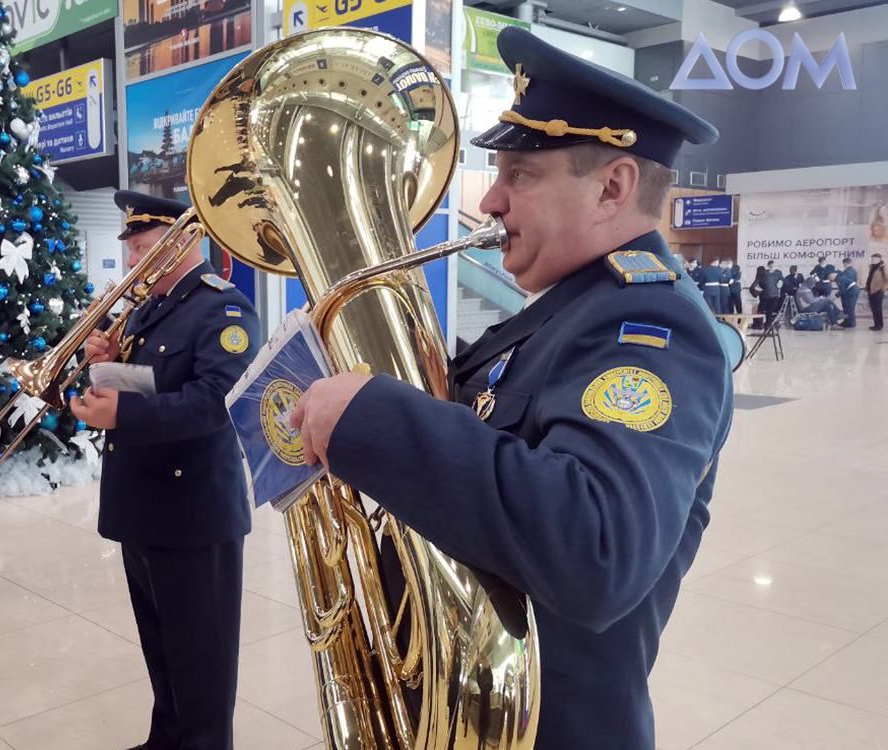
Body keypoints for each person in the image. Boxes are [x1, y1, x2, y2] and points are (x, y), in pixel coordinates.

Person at [289, 27, 735, 750]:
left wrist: (376, 418)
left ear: (613, 187)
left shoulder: (648, 323)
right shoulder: (570, 309)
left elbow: (597, 551)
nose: (490, 200)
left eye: (519, 174)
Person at [71, 190, 260, 750]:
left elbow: (220, 400)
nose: (134, 263)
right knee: (161, 642)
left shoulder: (223, 308)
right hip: (144, 500)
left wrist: (122, 410)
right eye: (130, 250)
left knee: (201, 658)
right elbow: (153, 380)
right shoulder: (150, 306)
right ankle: (167, 738)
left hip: (194, 509)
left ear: (184, 241)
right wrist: (104, 365)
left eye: (144, 249)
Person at [834, 257, 860, 328]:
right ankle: (849, 322)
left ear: (845, 263)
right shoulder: (854, 271)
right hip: (852, 290)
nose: (844, 265)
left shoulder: (846, 272)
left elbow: (842, 284)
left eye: (844, 264)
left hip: (848, 292)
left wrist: (837, 295)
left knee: (848, 307)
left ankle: (850, 323)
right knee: (850, 308)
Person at [867, 252, 886, 331]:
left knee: (878, 309)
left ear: (879, 259)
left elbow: (886, 279)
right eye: (872, 258)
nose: (872, 260)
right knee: (874, 308)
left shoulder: (882, 268)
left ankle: (879, 325)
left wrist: (883, 288)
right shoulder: (872, 267)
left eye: (874, 259)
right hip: (871, 291)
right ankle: (876, 324)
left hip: (878, 291)